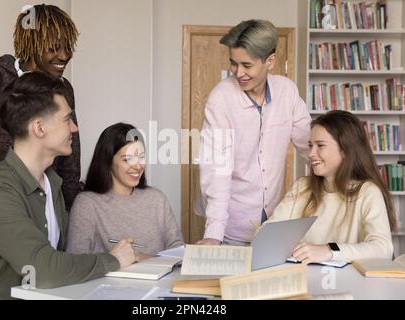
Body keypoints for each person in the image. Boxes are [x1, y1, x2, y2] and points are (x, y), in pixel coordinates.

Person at [0, 72, 137, 300]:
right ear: (39, 128)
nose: (75, 128)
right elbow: (43, 271)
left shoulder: (52, 183)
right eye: (67, 119)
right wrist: (113, 260)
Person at [0, 4, 81, 242]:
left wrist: (67, 214)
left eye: (67, 46)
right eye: (54, 47)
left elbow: (70, 162)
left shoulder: (64, 88)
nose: (64, 55)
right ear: (32, 44)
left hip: (46, 210)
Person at [196, 20, 311, 246]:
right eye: (234, 64)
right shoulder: (221, 98)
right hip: (230, 226)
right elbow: (216, 169)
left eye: (247, 65)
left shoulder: (286, 91)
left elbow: (310, 145)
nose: (239, 73)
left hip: (274, 224)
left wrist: (343, 178)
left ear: (270, 61)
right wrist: (214, 234)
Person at [268, 110, 395, 263]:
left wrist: (329, 250)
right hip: (304, 280)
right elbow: (267, 234)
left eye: (320, 145)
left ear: (345, 150)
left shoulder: (368, 192)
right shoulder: (301, 187)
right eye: (310, 146)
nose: (311, 154)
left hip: (349, 285)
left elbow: (383, 249)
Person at [66, 123, 184, 257]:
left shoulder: (157, 199)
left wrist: (141, 257)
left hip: (163, 278)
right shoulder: (87, 204)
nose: (138, 166)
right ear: (108, 160)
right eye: (128, 159)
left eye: (141, 157)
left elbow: (177, 251)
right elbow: (76, 262)